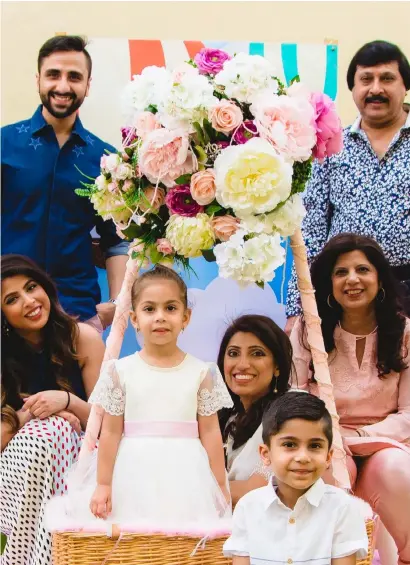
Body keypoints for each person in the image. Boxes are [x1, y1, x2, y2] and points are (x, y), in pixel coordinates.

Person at [46, 264, 233, 531]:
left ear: (186, 317)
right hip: (133, 471)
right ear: (134, 319)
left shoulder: (201, 372)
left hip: (186, 473)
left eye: (170, 308)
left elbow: (212, 433)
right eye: (149, 309)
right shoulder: (120, 371)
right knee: (134, 539)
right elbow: (110, 433)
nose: (160, 317)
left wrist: (219, 487)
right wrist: (103, 484)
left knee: (181, 539)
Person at [290, 233, 410, 565]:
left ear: (379, 279)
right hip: (324, 445)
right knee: (325, 471)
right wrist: (327, 439)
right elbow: (294, 399)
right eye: (341, 272)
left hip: (385, 446)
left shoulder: (404, 332)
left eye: (362, 270)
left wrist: (358, 437)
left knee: (397, 470)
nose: (352, 279)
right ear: (328, 282)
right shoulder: (306, 330)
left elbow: (409, 413)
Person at [1, 35, 128, 330]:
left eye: (74, 77)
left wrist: (115, 304)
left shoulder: (106, 159)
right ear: (38, 80)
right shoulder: (4, 144)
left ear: (87, 84)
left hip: (77, 311)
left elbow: (117, 239)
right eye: (53, 75)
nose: (62, 86)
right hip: (8, 311)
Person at [286, 40, 410, 333]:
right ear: (353, 90)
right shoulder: (331, 146)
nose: (376, 89)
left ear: (405, 86)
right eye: (366, 79)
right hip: (345, 296)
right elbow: (311, 234)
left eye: (387, 79)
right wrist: (297, 310)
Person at [1, 254, 105, 565]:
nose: (29, 301)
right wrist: (33, 413)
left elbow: (110, 422)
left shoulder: (83, 338)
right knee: (49, 430)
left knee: (58, 431)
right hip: (15, 477)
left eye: (32, 287)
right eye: (12, 299)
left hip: (83, 466)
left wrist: (67, 401)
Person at [223, 392, 369, 564]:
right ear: (265, 454)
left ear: (328, 457)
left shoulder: (342, 508)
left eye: (314, 446)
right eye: (289, 445)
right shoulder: (248, 507)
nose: (302, 457)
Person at [218, 315, 291, 506]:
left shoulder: (292, 409)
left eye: (257, 353)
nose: (242, 364)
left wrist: (187, 493)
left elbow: (258, 491)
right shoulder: (225, 418)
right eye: (233, 353)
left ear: (277, 366)